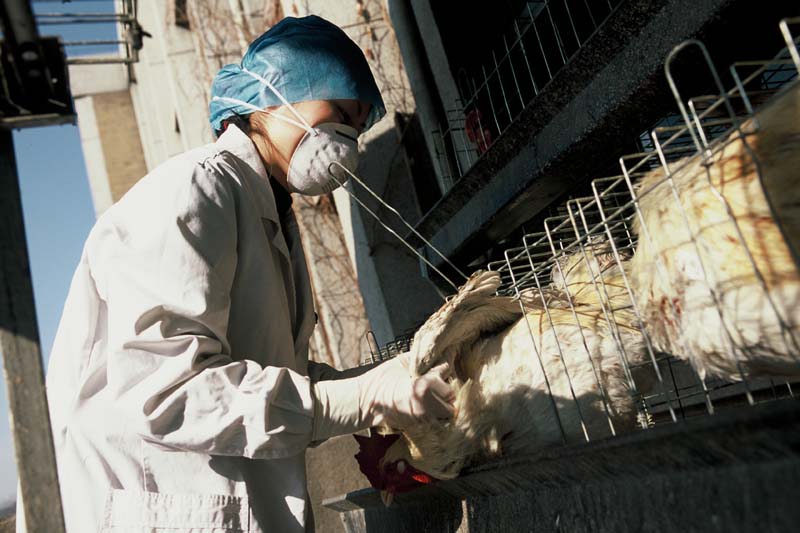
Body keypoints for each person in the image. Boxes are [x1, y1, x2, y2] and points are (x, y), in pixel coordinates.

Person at [23, 15, 454, 533]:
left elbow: (272, 379)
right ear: (275, 93)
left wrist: (381, 385)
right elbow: (169, 393)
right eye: (337, 112)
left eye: (356, 127)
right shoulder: (193, 192)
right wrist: (363, 395)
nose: (345, 140)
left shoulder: (266, 211)